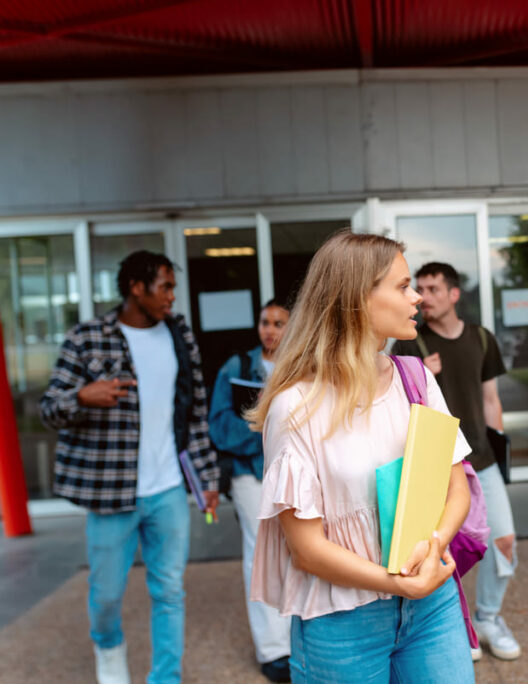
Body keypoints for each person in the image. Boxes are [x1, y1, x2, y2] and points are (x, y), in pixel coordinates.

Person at [248, 232, 475, 684]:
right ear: (356, 299)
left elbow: (457, 489)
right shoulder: (295, 407)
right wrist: (398, 583)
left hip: (432, 605)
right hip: (341, 622)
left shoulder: (415, 378)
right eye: (403, 286)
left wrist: (432, 552)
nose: (416, 299)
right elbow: (307, 550)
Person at [39, 250, 219, 684]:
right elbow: (49, 409)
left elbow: (192, 413)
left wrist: (206, 478)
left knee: (171, 591)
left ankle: (165, 678)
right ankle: (109, 648)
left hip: (170, 490)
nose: (172, 297)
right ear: (136, 288)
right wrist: (82, 397)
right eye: (165, 287)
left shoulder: (180, 336)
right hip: (110, 493)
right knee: (105, 597)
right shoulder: (86, 338)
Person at [391, 262, 521, 661]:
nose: (423, 297)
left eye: (432, 289)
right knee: (442, 544)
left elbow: (490, 399)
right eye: (420, 289)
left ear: (453, 294)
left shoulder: (481, 338)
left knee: (504, 541)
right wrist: (416, 373)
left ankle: (489, 618)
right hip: (435, 466)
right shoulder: (411, 343)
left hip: (481, 460)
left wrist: (498, 456)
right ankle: (455, 623)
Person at [208, 298, 293, 682]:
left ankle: (297, 638)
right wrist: (258, 429)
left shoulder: (303, 364)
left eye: (279, 323)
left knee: (300, 551)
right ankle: (273, 649)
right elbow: (219, 425)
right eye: (265, 322)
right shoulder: (237, 367)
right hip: (251, 474)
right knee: (259, 554)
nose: (270, 330)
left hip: (295, 472)